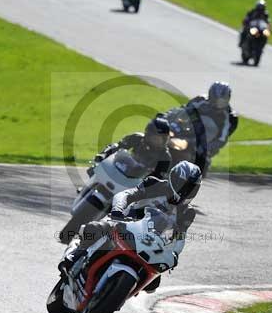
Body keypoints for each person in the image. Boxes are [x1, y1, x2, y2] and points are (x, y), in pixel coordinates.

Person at [62, 161, 202, 293]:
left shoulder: (187, 212)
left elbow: (180, 237)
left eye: (191, 188)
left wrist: (175, 254)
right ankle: (75, 255)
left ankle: (117, 292)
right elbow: (126, 195)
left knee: (153, 284)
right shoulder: (154, 184)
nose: (185, 190)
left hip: (152, 241)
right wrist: (118, 210)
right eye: (183, 185)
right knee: (94, 228)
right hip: (126, 223)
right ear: (174, 178)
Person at [165, 81, 238, 171]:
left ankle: (181, 176)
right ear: (211, 96)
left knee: (192, 158)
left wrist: (202, 146)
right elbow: (182, 111)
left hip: (205, 144)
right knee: (161, 135)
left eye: (223, 100)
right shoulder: (199, 101)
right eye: (217, 100)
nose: (220, 103)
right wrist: (166, 118)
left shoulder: (230, 117)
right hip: (186, 131)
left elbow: (221, 140)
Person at [91, 115, 172, 179]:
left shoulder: (165, 156)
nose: (160, 141)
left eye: (163, 138)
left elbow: (160, 178)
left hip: (135, 187)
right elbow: (117, 146)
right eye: (157, 138)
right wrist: (104, 155)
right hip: (119, 171)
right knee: (94, 171)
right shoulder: (137, 138)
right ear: (148, 134)